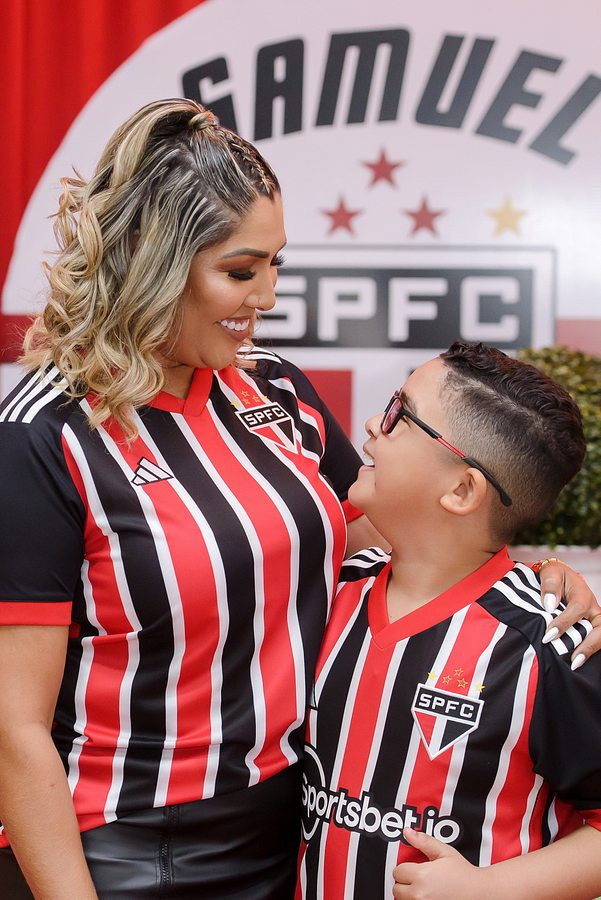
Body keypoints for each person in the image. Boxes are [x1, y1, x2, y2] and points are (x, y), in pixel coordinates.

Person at [0, 100, 596, 900]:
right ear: (151, 260)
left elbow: (417, 540)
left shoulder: (275, 388)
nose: (268, 295)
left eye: (275, 265)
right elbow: (13, 730)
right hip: (130, 846)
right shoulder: (44, 433)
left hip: (295, 825)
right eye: (241, 271)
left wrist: (536, 586)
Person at [297, 342, 601, 900]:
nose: (372, 424)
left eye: (400, 414)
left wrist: (491, 888)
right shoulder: (328, 591)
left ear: (462, 489)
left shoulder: (551, 643)